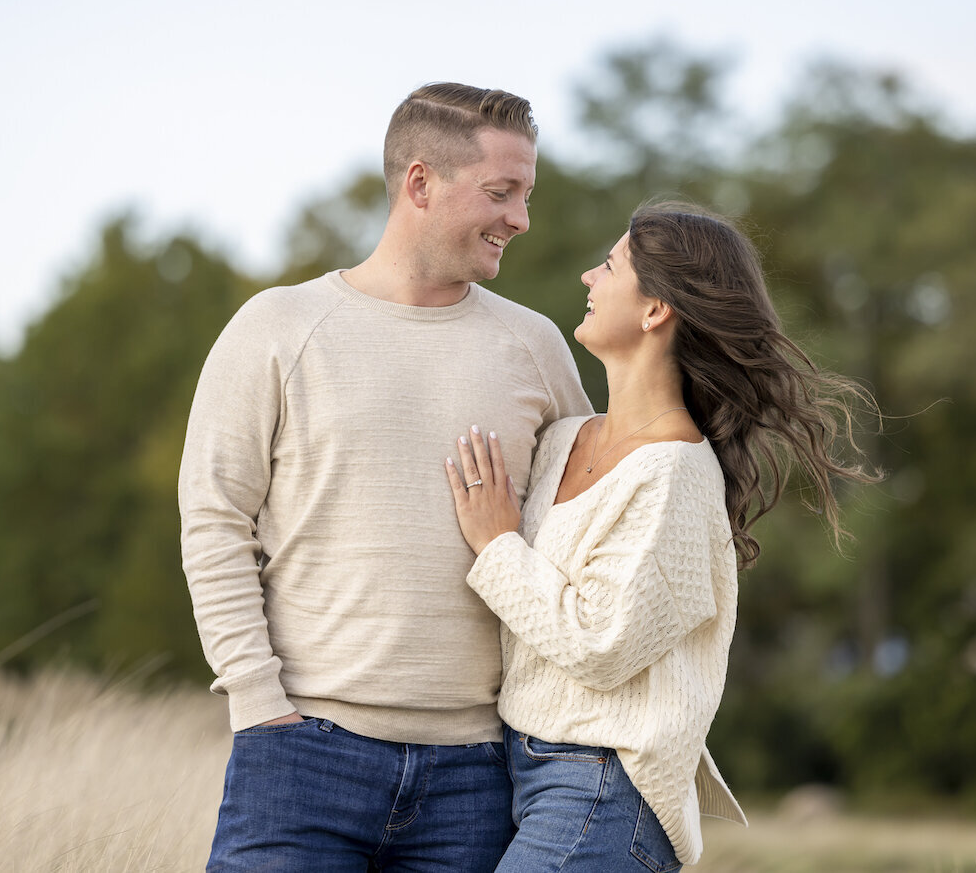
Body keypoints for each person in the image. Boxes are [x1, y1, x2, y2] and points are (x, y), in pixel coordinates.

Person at [179, 82, 593, 872]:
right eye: (502, 192)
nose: (521, 219)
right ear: (420, 182)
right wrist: (258, 703)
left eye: (527, 196)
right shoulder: (278, 326)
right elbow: (214, 519)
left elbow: (587, 525)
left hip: (476, 772)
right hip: (300, 758)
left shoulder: (536, 346)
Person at [446, 203, 878, 871]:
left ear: (655, 311)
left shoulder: (676, 471)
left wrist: (498, 546)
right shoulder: (563, 438)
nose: (589, 275)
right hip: (517, 770)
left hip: (602, 788)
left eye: (611, 265)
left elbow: (601, 644)